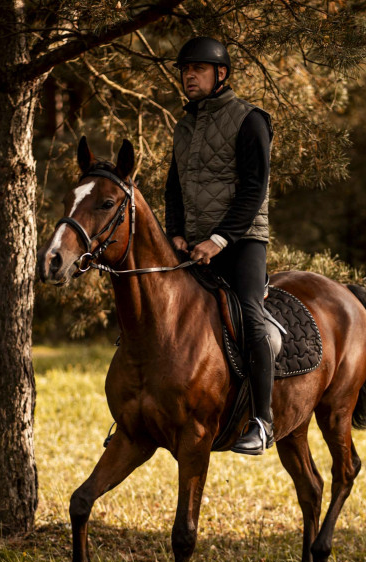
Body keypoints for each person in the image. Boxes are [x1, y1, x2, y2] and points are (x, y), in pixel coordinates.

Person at [165, 37, 275, 455]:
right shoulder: (186, 123)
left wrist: (218, 239)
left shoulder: (250, 119)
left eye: (198, 69)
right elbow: (173, 186)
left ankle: (262, 421)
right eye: (185, 70)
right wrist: (176, 230)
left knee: (249, 314)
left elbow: (253, 190)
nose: (189, 75)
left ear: (221, 74)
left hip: (242, 240)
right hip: (192, 243)